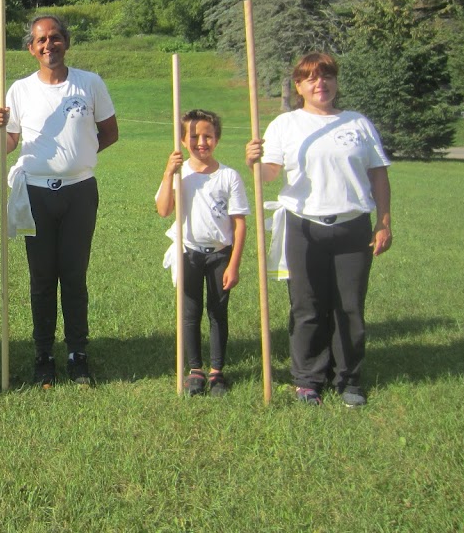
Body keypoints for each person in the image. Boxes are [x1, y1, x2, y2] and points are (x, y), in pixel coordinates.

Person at [246, 52, 392, 407]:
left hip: (352, 227)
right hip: (303, 226)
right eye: (310, 78)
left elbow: (378, 173)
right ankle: (308, 378)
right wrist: (254, 162)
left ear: (336, 82)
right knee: (307, 305)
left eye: (326, 76)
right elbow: (269, 175)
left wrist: (384, 221)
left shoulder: (357, 123)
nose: (320, 83)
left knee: (350, 306)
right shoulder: (286, 124)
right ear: (299, 86)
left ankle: (349, 379)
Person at [0, 15, 118, 387]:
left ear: (66, 42)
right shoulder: (19, 90)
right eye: (41, 40)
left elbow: (109, 133)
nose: (49, 45)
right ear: (31, 48)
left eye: (56, 38)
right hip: (36, 194)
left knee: (75, 277)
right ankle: (43, 355)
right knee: (42, 278)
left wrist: (78, 158)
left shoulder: (90, 83)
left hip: (80, 192)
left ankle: (78, 354)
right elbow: (6, 146)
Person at [155, 109, 249, 396]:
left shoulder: (229, 176)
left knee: (218, 312)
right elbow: (163, 209)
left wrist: (234, 264)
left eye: (208, 136)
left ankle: (217, 371)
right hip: (189, 253)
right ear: (183, 140)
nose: (201, 142)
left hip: (220, 254)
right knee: (189, 313)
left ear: (217, 139)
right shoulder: (180, 175)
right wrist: (169, 172)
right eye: (194, 136)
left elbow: (240, 224)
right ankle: (194, 369)